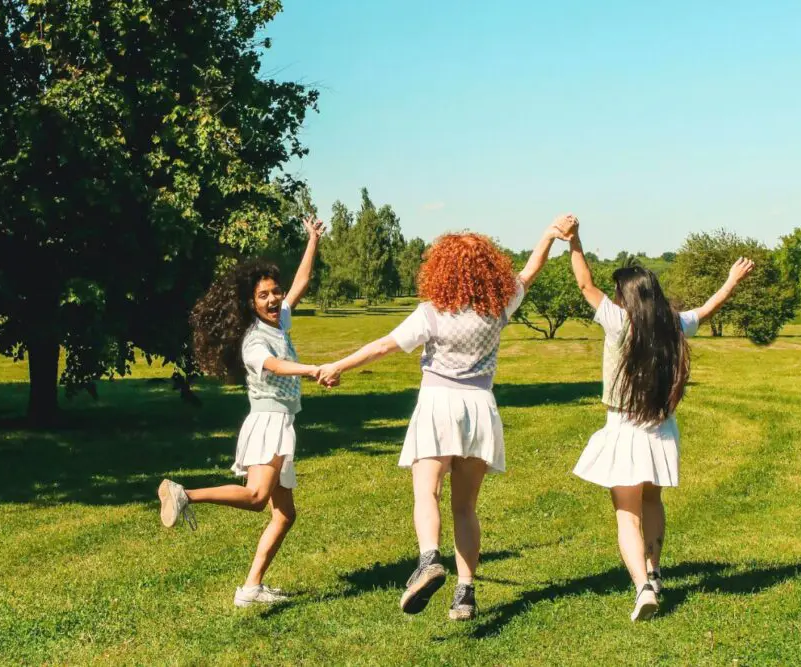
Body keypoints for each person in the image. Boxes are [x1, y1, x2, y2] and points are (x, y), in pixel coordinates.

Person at [316, 216, 576, 621]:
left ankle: (429, 559)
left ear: (442, 269)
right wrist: (548, 235)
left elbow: (384, 346)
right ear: (490, 268)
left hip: (438, 405)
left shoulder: (431, 313)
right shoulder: (499, 308)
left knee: (427, 492)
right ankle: (465, 593)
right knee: (466, 508)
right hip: (479, 408)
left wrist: (338, 366)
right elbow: (530, 271)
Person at [566, 219, 754, 621]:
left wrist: (575, 241)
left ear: (627, 297)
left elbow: (585, 284)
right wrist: (731, 281)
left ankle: (643, 588)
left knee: (626, 513)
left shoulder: (619, 323)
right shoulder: (673, 325)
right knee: (653, 500)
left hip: (626, 429)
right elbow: (708, 308)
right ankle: (655, 570)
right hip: (663, 431)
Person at [157, 217, 328, 607]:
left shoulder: (279, 321)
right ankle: (185, 494)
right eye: (264, 295)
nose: (273, 299)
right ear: (251, 302)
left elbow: (301, 283)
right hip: (269, 423)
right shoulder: (253, 340)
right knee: (255, 497)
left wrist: (312, 241)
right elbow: (273, 366)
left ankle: (251, 589)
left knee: (284, 515)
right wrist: (311, 369)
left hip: (281, 421)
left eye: (274, 292)